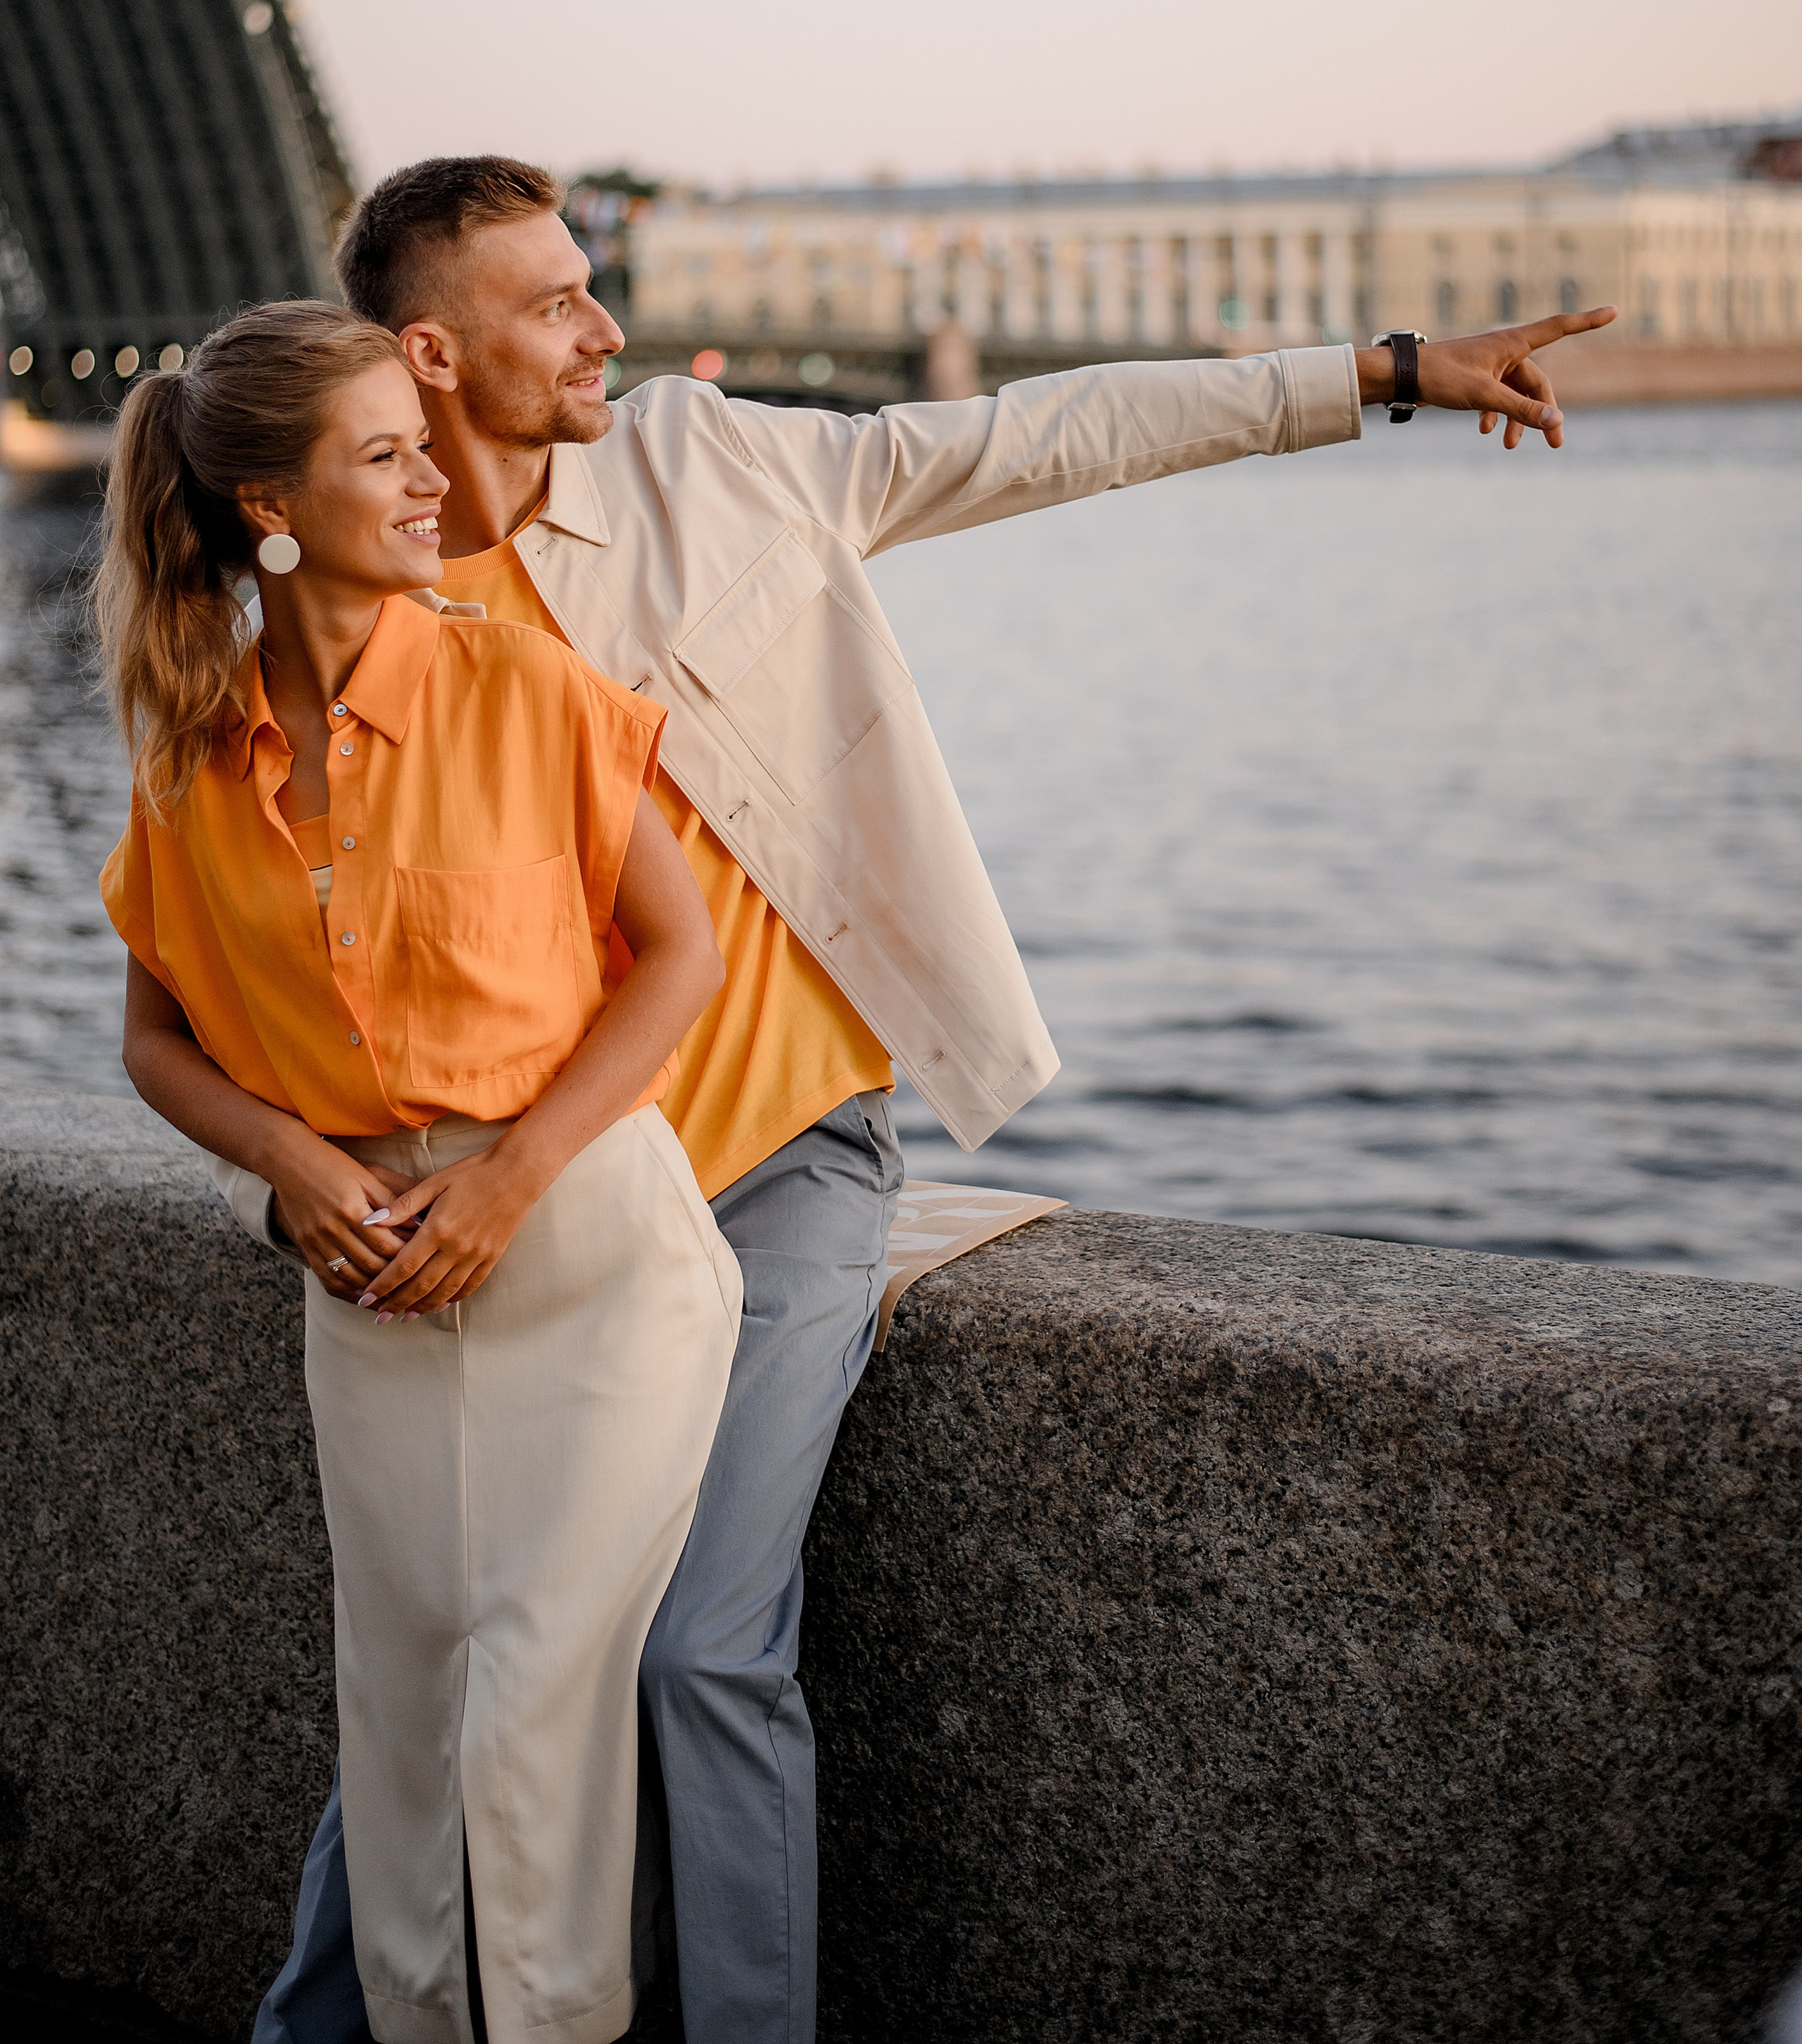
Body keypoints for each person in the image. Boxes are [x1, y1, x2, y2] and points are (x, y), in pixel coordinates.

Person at [248, 157, 1618, 2044]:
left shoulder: (711, 463)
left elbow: (1045, 436)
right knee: (467, 1667)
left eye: (593, 285)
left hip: (794, 1160)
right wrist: (308, 1170)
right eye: (553, 302)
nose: (604, 326)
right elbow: (283, 952)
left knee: (695, 1649)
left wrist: (1382, 370)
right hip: (552, 1205)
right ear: (431, 350)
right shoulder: (366, 604)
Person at [94, 300, 742, 2044]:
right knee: (397, 1712)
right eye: (381, 455)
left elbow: (678, 963)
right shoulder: (188, 753)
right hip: (361, 1266)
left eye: (421, 443)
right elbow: (155, 1042)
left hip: (590, 1254)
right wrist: (290, 1161)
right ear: (264, 506)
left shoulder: (525, 685)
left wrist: (510, 1181)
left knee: (530, 1695)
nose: (432, 480)